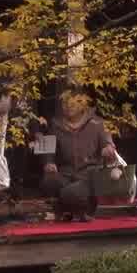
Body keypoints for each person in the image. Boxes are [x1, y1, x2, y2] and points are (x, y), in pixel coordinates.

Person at [44, 90, 118, 221]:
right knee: (49, 182)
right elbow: (49, 150)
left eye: (72, 104)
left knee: (72, 192)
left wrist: (108, 150)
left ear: (83, 105)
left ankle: (80, 210)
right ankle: (70, 210)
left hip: (88, 174)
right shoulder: (56, 125)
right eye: (65, 104)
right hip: (65, 173)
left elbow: (109, 145)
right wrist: (49, 162)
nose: (68, 107)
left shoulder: (98, 123)